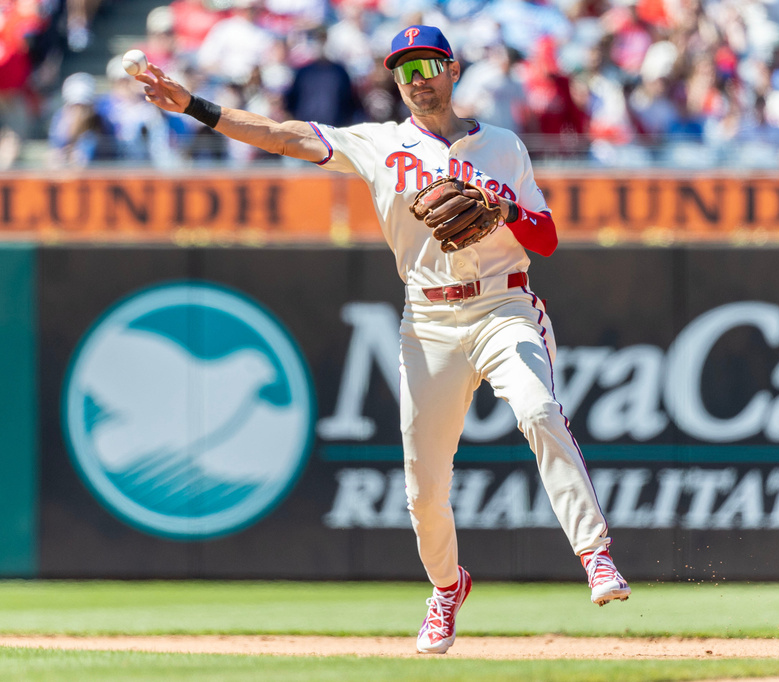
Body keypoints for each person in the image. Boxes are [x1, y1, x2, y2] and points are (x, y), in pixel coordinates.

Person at [136, 23, 630, 655]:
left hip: (504, 303)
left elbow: (548, 238)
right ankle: (447, 589)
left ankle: (594, 555)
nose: (416, 80)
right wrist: (197, 108)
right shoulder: (376, 143)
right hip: (426, 321)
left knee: (537, 408)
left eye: (427, 66)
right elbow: (281, 136)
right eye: (404, 70)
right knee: (424, 487)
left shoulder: (501, 145)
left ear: (453, 71)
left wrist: (504, 211)